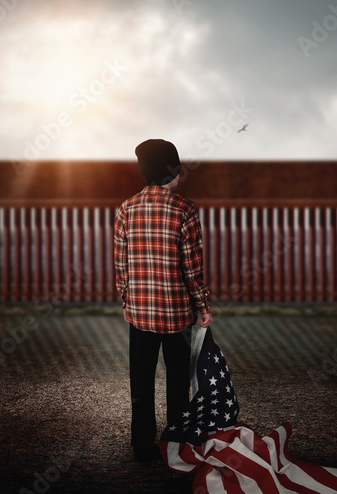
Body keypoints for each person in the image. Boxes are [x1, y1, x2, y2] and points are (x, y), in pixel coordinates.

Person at [114, 139, 212, 461]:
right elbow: (192, 268)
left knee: (140, 382)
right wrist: (203, 305)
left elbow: (121, 265)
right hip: (176, 316)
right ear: (176, 170)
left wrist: (128, 299)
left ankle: (141, 444)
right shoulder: (184, 209)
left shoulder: (126, 209)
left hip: (140, 315)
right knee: (177, 381)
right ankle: (175, 442)